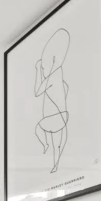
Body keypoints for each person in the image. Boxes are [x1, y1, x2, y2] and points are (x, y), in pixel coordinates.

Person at [34, 28, 70, 173]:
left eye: (44, 66)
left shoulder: (51, 78)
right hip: (63, 116)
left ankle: (45, 145)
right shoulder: (60, 79)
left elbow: (37, 91)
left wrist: (37, 70)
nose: (43, 69)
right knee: (58, 144)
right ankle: (55, 165)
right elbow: (66, 89)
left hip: (52, 117)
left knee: (39, 129)